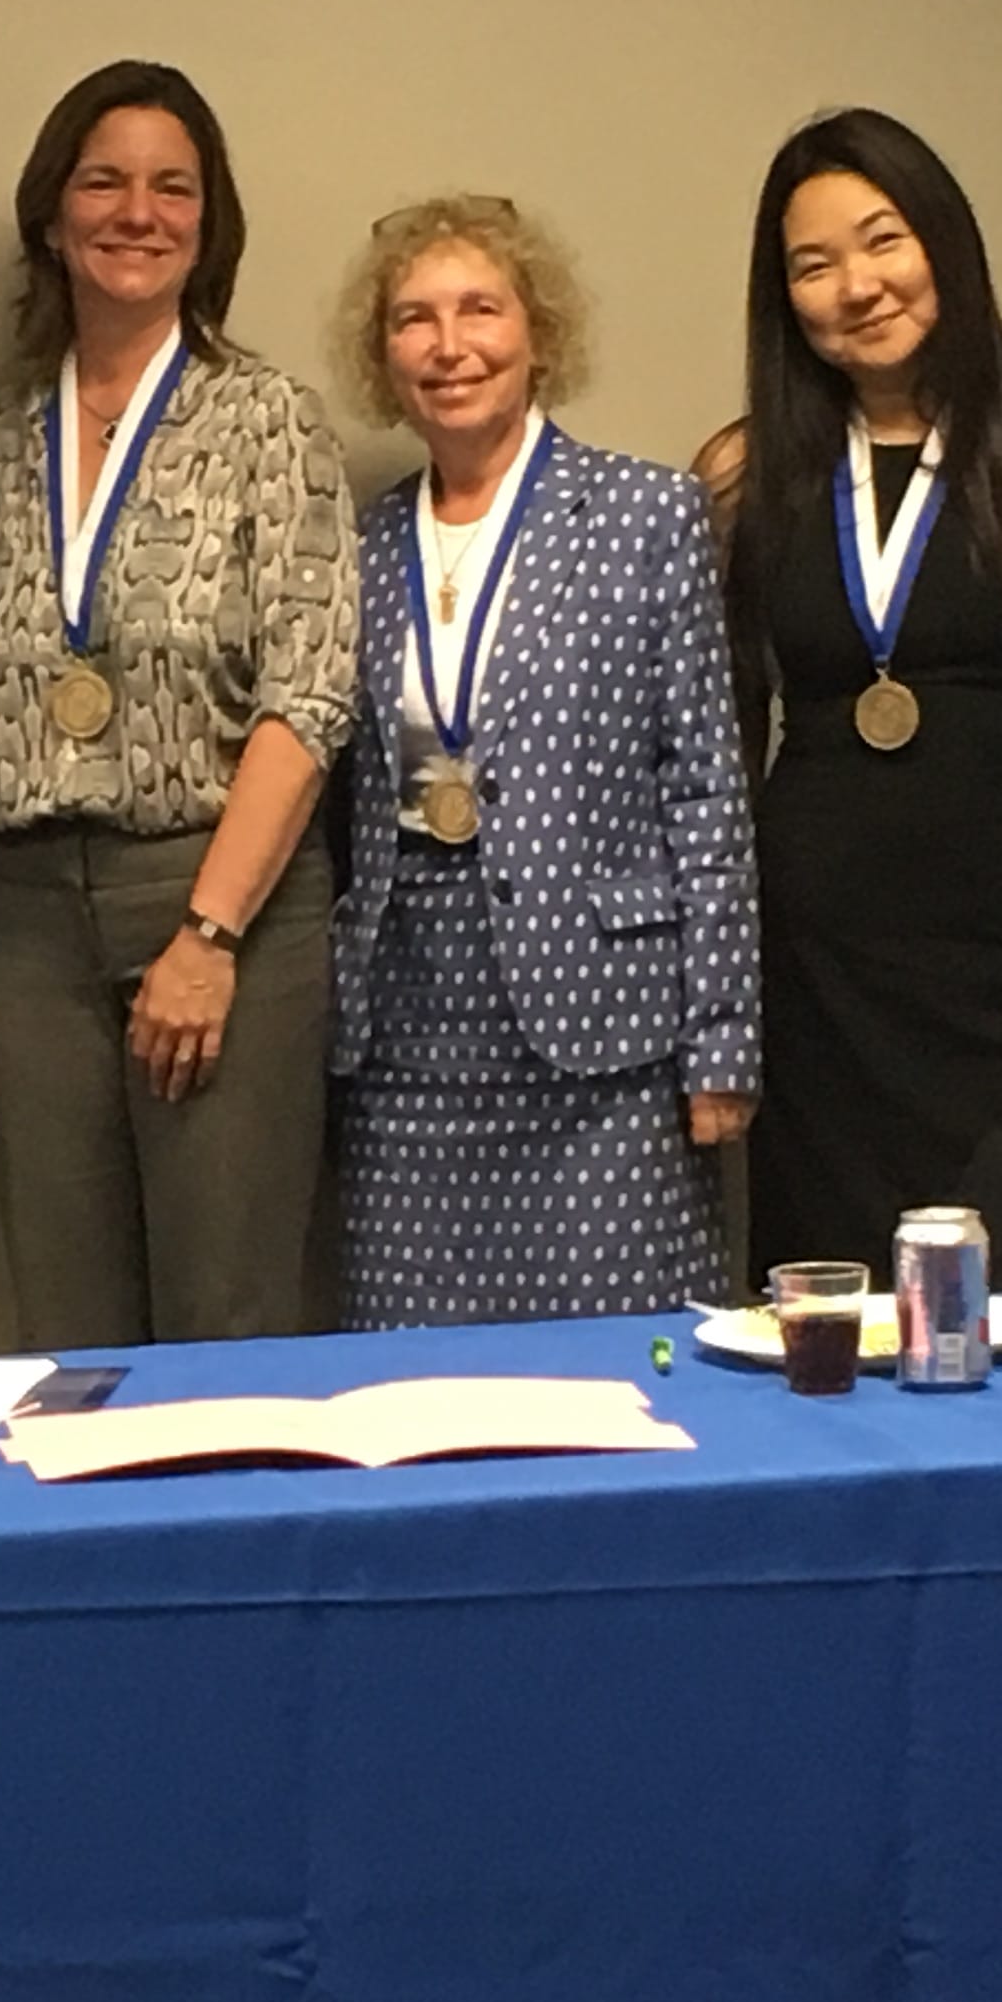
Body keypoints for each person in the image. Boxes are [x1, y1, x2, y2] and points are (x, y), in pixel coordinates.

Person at [698, 109, 1002, 1271]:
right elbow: (716, 745)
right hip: (827, 979)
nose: (856, 286)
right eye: (813, 266)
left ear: (946, 244)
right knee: (839, 1304)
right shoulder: (741, 471)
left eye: (884, 241)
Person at [0, 62, 355, 1344]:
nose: (138, 210)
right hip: (27, 920)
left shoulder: (270, 420)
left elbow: (310, 693)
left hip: (220, 899)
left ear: (208, 226)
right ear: (50, 213)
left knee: (225, 1316)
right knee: (69, 1332)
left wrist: (210, 939)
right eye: (104, 179)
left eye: (175, 187)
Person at [325, 196, 757, 1325]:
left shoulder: (645, 514)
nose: (449, 344)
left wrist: (723, 1038)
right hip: (410, 1033)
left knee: (619, 1379)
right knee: (415, 1388)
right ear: (385, 356)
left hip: (602, 1042)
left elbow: (706, 790)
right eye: (415, 319)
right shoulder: (359, 544)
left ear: (538, 330)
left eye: (480, 308)